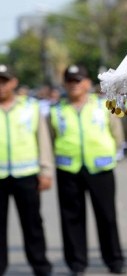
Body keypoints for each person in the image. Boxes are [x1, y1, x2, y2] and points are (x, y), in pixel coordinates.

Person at [48, 65, 127, 275]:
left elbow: (116, 133)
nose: (74, 85)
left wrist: (114, 154)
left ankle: (114, 260)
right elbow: (51, 136)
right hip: (69, 168)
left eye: (78, 80)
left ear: (87, 83)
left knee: (107, 216)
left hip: (99, 167)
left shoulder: (103, 106)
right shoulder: (56, 110)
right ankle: (76, 263)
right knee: (71, 218)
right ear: (65, 84)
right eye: (70, 81)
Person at [0, 64, 53, 276]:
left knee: (32, 224)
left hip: (27, 175)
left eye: (5, 81)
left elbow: (43, 140)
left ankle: (40, 266)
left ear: (14, 82)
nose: (1, 86)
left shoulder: (31, 107)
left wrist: (46, 170)